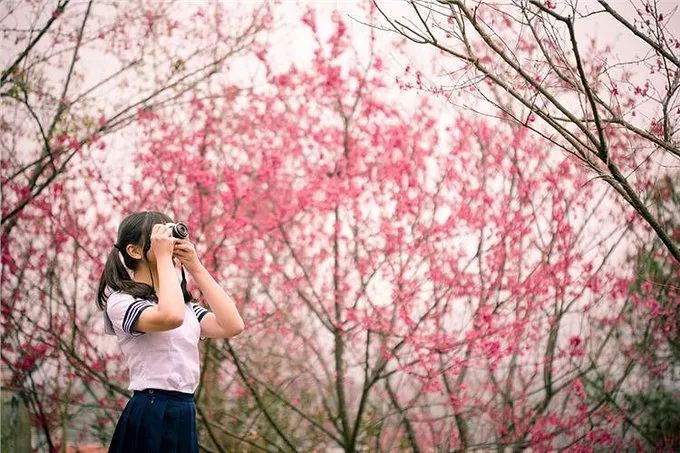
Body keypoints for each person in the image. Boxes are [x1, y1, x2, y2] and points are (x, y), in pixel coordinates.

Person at [96, 211, 245, 452]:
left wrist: (196, 267)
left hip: (184, 408)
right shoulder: (122, 302)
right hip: (150, 409)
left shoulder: (184, 306)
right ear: (134, 251)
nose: (166, 242)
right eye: (158, 237)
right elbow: (170, 317)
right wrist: (165, 259)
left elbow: (232, 325)